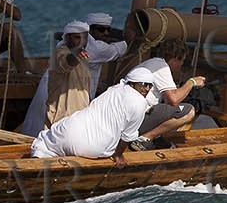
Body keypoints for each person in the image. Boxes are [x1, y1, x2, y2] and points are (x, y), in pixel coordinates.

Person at [30, 68, 166, 162]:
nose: (147, 89)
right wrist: (118, 156)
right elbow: (127, 137)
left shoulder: (115, 89)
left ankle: (38, 157)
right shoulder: (140, 103)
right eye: (143, 84)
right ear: (132, 83)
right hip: (93, 147)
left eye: (150, 86)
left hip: (67, 131)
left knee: (44, 141)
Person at [83, 12, 130, 94]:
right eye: (101, 30)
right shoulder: (97, 48)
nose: (106, 33)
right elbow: (119, 49)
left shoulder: (81, 40)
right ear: (90, 29)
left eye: (108, 30)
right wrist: (130, 37)